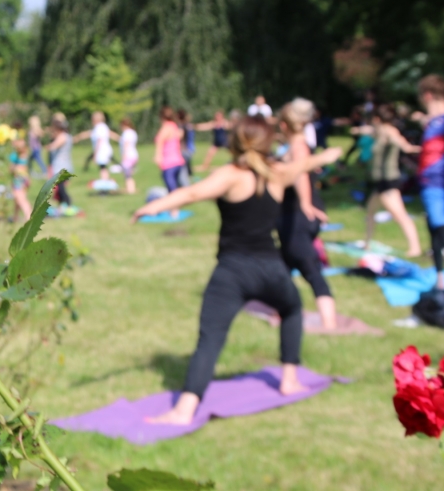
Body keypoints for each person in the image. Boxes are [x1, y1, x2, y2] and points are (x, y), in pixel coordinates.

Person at [132, 116, 343, 424]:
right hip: (271, 268)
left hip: (233, 271)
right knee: (292, 307)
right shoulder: (278, 173)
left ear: (235, 142)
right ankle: (289, 379)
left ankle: (183, 410)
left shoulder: (230, 175)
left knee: (211, 338)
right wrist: (327, 156)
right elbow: (305, 164)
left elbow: (192, 194)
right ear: (267, 142)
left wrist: (153, 206)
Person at [278, 98, 338, 330]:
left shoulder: (297, 147)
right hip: (294, 216)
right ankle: (282, 310)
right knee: (281, 264)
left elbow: (301, 175)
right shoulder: (300, 146)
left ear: (284, 125)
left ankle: (329, 324)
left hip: (298, 216)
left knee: (309, 267)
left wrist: (305, 204)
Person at [414, 74, 444, 296]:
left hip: (440, 185)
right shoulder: (433, 121)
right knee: (434, 228)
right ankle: (441, 277)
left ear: (427, 95)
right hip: (429, 183)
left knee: (443, 228)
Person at [359, 104, 422, 256]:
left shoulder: (390, 131)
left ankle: (415, 248)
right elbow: (369, 131)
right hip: (380, 181)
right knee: (370, 211)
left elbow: (404, 145)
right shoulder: (379, 131)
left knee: (399, 214)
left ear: (376, 119)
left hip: (389, 180)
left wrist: (421, 149)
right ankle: (367, 243)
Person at [74, 111, 117, 180]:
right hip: (105, 150)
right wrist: (78, 137)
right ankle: (105, 182)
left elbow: (99, 141)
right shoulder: (102, 126)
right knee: (104, 167)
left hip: (101, 151)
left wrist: (95, 154)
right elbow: (89, 133)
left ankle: (104, 185)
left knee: (102, 168)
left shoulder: (99, 127)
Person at [48, 119, 74, 206]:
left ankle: (68, 202)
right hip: (62, 164)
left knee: (61, 187)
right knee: (60, 186)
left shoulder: (63, 136)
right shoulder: (66, 136)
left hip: (61, 165)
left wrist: (49, 144)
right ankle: (63, 203)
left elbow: (53, 147)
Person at [9, 138, 32, 223]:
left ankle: (29, 216)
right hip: (25, 179)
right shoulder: (26, 154)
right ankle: (15, 217)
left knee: (21, 199)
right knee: (17, 199)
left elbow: (11, 169)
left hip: (18, 179)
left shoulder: (15, 156)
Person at [119, 117, 139, 194]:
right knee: (129, 173)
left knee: (127, 174)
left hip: (128, 156)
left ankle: (130, 189)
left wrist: (124, 155)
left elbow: (126, 144)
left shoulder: (126, 133)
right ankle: (130, 188)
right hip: (134, 155)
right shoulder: (133, 132)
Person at [178, 109, 196, 178]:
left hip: (183, 150)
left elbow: (180, 137)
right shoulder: (188, 125)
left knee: (183, 172)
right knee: (187, 171)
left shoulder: (181, 126)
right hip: (189, 149)